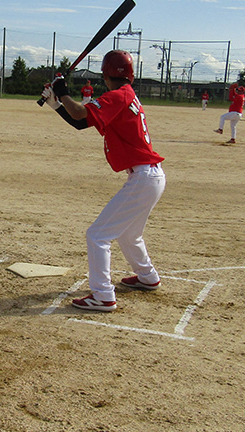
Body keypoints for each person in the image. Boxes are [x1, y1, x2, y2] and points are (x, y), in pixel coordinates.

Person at [40, 50, 165, 313]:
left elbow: (78, 112)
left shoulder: (118, 96)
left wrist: (63, 89)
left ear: (106, 75)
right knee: (130, 234)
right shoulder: (125, 96)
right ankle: (148, 277)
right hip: (149, 176)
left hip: (144, 177)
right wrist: (56, 103)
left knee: (97, 235)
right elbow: (80, 122)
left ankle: (103, 295)